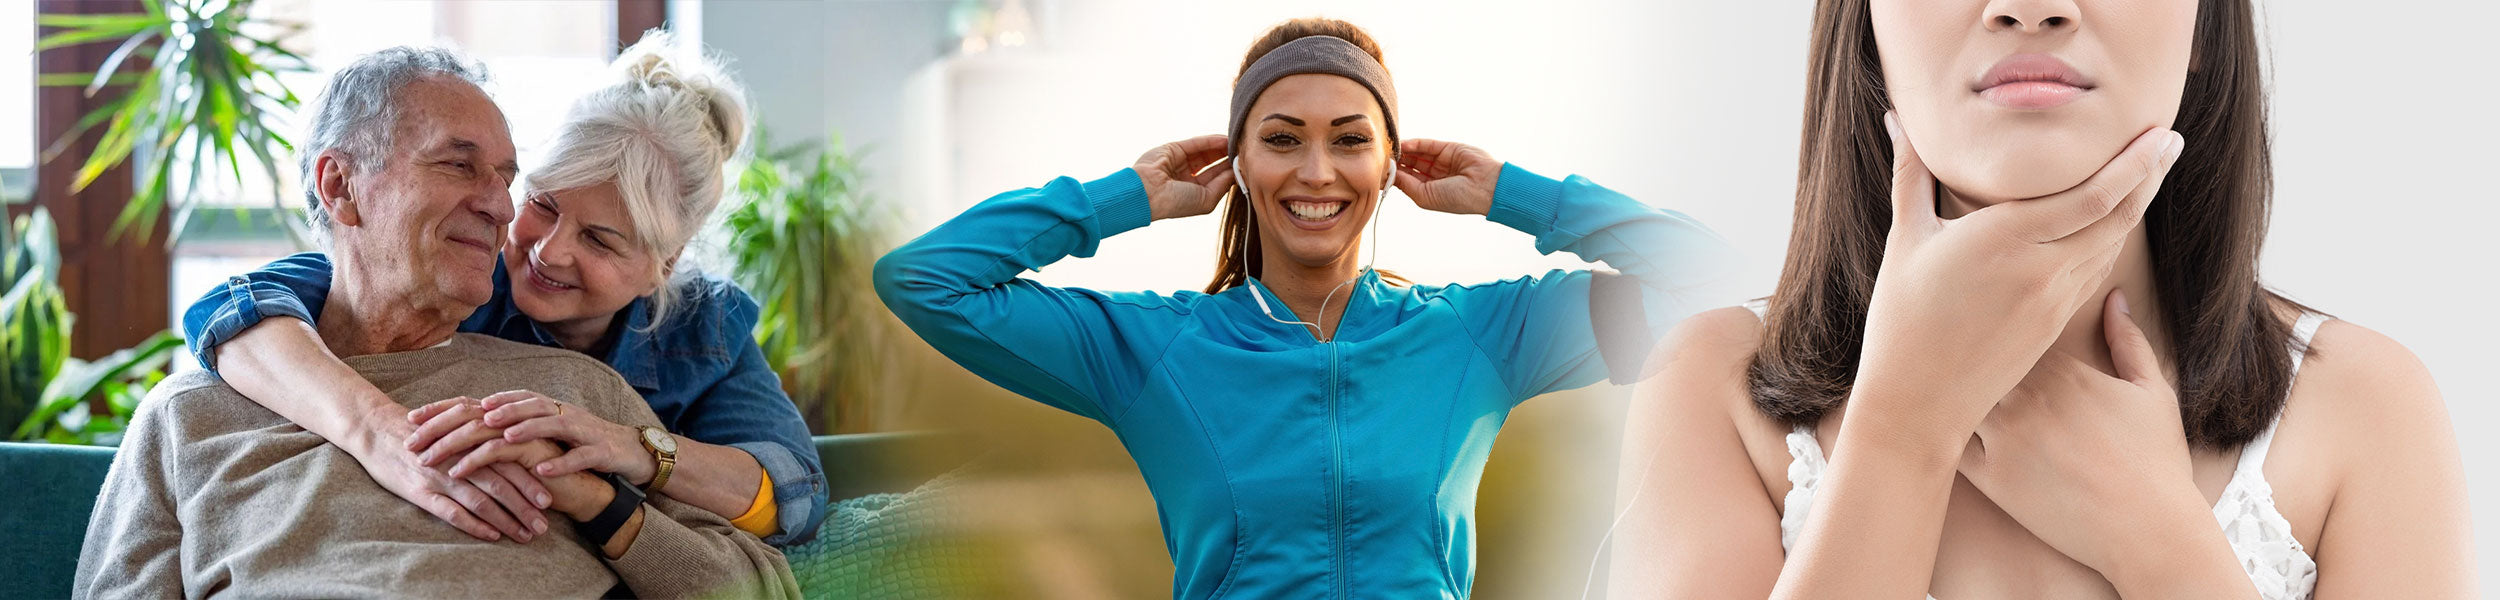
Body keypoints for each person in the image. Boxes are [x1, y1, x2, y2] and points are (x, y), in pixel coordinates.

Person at [1608, 0, 2471, 597]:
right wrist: (1903, 429)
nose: (2030, 7)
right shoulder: (1711, 387)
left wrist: (2161, 544)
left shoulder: (2364, 405)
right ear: (1866, 23)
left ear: (2203, 20)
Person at [875, 18, 1735, 599]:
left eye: (1351, 139)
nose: (1317, 172)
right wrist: (1121, 199)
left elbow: (1713, 277)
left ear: (1391, 164)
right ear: (1240, 165)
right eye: (1282, 139)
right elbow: (922, 279)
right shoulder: (1154, 349)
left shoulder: (1480, 335)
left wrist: (1514, 194)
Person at [74, 45, 795, 598]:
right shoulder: (192, 413)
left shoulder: (582, 402)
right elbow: (240, 304)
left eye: (506, 179)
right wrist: (375, 428)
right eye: (460, 167)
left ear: (662, 266)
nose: (508, 213)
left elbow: (771, 555)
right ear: (340, 186)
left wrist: (604, 502)